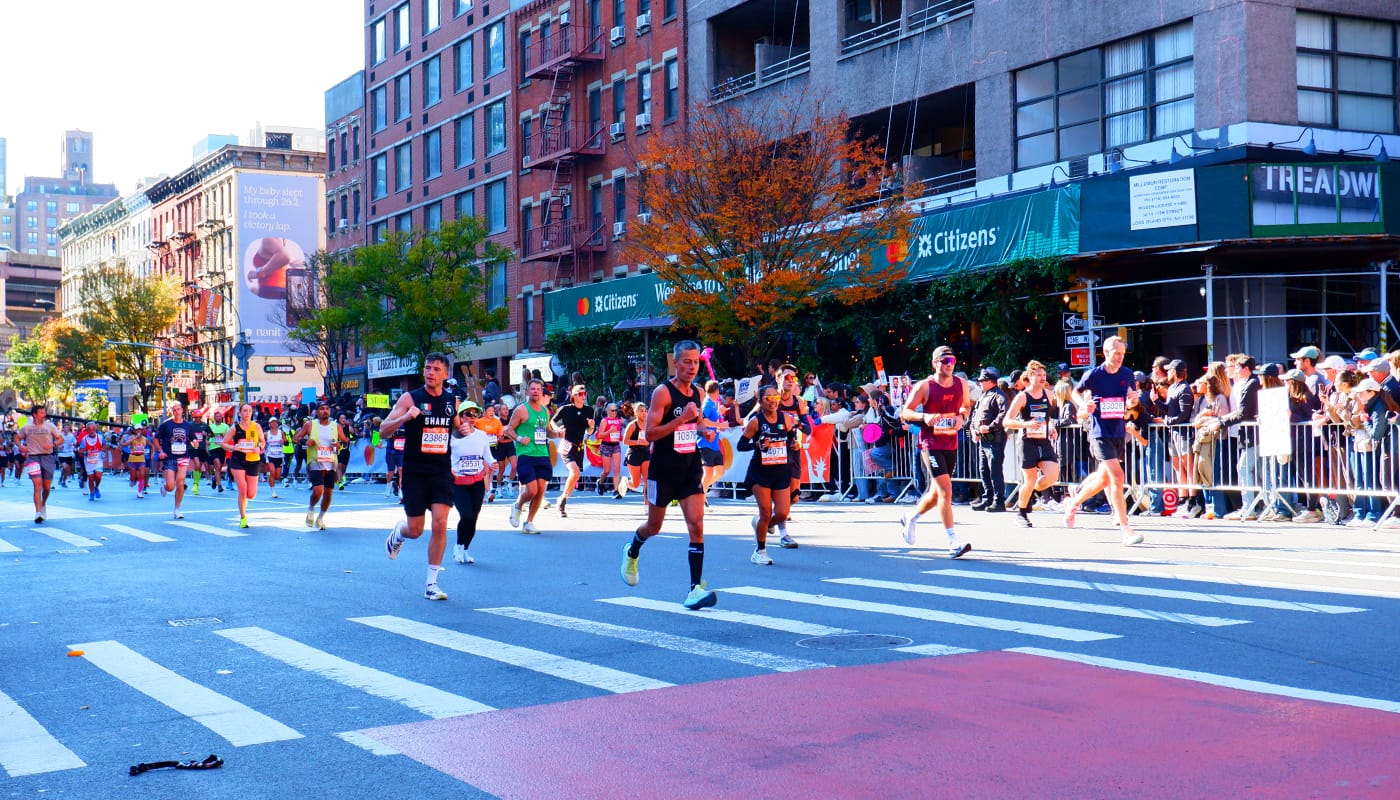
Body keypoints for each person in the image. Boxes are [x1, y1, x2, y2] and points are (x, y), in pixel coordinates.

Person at [619, 340, 719, 610]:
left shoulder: (698, 392)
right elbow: (650, 434)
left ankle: (694, 589)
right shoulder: (662, 393)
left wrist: (703, 430)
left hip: (689, 469)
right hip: (662, 471)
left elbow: (694, 423)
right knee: (654, 527)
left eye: (696, 361)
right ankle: (632, 550)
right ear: (674, 363)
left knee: (696, 526)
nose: (692, 366)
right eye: (686, 361)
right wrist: (681, 419)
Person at [382, 352, 458, 600]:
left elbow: (455, 430)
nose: (430, 373)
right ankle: (398, 533)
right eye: (427, 368)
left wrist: (464, 431)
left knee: (440, 523)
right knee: (415, 530)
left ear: (445, 374)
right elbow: (383, 431)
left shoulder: (451, 401)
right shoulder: (410, 398)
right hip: (415, 472)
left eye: (436, 369)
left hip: (441, 472)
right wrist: (405, 417)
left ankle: (431, 584)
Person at [1061, 336, 1145, 545]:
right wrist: (1084, 405)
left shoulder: (1126, 374)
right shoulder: (1094, 374)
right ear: (1106, 352)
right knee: (1117, 476)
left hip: (1118, 431)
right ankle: (1126, 528)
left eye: (1122, 354)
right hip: (1099, 432)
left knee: (1104, 480)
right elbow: (1075, 392)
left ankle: (1074, 502)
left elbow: (1131, 398)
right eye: (1116, 354)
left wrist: (1133, 399)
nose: (1119, 358)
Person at [898, 345, 974, 556]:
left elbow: (965, 406)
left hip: (950, 442)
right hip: (930, 444)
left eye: (952, 361)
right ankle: (953, 542)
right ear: (935, 363)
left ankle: (910, 517)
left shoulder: (962, 384)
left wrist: (961, 416)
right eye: (945, 361)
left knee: (936, 492)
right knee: (946, 491)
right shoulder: (925, 386)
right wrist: (924, 417)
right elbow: (906, 411)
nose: (949, 365)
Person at [739, 384, 797, 565]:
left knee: (782, 513)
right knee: (765, 512)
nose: (773, 401)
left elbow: (792, 439)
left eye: (776, 397)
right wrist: (756, 445)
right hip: (760, 472)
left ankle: (760, 524)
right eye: (768, 398)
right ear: (761, 401)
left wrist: (795, 445)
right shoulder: (755, 421)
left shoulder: (786, 419)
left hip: (781, 470)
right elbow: (741, 445)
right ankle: (760, 551)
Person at [1002, 360, 1060, 527]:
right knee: (1029, 479)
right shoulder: (1022, 396)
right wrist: (1025, 424)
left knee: (1051, 476)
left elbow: (1049, 417)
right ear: (1030, 376)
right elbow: (1007, 421)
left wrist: (1052, 427)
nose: (1042, 378)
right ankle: (1021, 513)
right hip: (1027, 442)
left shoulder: (1048, 395)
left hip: (1043, 440)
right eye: (1038, 375)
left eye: (1044, 375)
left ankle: (1028, 491)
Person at [502, 379, 555, 534]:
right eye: (532, 389)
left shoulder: (545, 411)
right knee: (531, 490)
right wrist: (519, 439)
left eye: (538, 389)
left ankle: (529, 522)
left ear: (541, 391)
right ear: (527, 391)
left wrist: (557, 434)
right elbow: (509, 430)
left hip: (542, 453)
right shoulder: (521, 410)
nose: (535, 391)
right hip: (526, 453)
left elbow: (548, 430)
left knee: (540, 490)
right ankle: (517, 506)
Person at [449, 401, 495, 565]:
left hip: (477, 482)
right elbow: (444, 457)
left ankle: (465, 549)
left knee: (474, 518)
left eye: (475, 414)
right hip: (459, 482)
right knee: (466, 516)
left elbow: (487, 456)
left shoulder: (481, 435)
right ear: (460, 417)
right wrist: (449, 469)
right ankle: (458, 546)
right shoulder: (453, 437)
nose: (472, 417)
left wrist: (493, 463)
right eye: (468, 414)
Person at [295, 402, 347, 530]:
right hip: (315, 461)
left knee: (328, 494)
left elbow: (345, 442)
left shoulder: (336, 426)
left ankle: (320, 518)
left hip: (331, 462)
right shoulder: (310, 424)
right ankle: (311, 509)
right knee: (318, 490)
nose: (325, 411)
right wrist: (305, 441)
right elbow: (295, 438)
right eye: (322, 409)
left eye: (327, 409)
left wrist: (340, 445)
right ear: (317, 412)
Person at [969, 368, 1009, 511]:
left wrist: (990, 427)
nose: (979, 383)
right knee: (984, 469)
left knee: (994, 470)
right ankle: (987, 498)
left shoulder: (999, 396)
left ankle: (999, 501)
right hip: (983, 439)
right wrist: (973, 429)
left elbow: (1004, 414)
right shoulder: (983, 396)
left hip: (995, 438)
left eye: (982, 381)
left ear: (989, 381)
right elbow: (974, 415)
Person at [551, 385, 594, 515]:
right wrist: (558, 429)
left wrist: (592, 426)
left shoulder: (589, 410)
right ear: (574, 396)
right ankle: (563, 499)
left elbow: (590, 431)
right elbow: (552, 421)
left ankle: (563, 498)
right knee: (574, 472)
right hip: (567, 444)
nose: (583, 396)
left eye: (585, 393)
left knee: (576, 475)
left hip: (579, 446)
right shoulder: (565, 409)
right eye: (580, 394)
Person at [152, 402, 199, 520]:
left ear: (182, 410)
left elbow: (193, 439)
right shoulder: (166, 425)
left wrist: (195, 443)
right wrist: (160, 451)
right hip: (169, 457)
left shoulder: (188, 426)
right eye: (174, 410)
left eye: (178, 409)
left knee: (180, 482)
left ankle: (177, 509)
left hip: (183, 456)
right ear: (172, 412)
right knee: (170, 486)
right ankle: (165, 486)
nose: (176, 412)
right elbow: (156, 439)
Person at [16, 406, 61, 522]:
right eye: (41, 413)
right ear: (35, 414)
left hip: (47, 457)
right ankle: (37, 513)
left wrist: (52, 445)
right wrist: (21, 446)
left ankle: (43, 504)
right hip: (33, 457)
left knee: (46, 487)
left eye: (44, 412)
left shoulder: (50, 425)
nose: (44, 414)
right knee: (37, 485)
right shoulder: (27, 426)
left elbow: (61, 439)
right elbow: (17, 438)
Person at [223, 403, 265, 529]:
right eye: (245, 411)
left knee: (251, 494)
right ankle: (243, 517)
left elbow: (263, 441)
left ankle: (244, 503)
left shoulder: (256, 427)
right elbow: (224, 443)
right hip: (238, 461)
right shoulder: (235, 428)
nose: (247, 413)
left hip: (253, 460)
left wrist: (259, 447)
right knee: (242, 489)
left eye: (249, 411)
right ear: (240, 413)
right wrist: (233, 447)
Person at [699, 380, 729, 502]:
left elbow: (712, 419)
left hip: (714, 444)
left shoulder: (712, 404)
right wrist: (720, 425)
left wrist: (720, 413)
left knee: (720, 471)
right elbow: (703, 421)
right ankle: (700, 494)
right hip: (705, 443)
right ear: (716, 391)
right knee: (708, 473)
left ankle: (701, 490)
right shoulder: (706, 404)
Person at [476, 403, 506, 502]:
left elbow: (500, 435)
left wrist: (500, 436)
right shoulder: (478, 422)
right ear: (484, 412)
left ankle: (486, 492)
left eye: (493, 411)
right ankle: (488, 492)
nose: (491, 413)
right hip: (483, 449)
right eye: (489, 411)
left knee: (492, 470)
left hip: (494, 448)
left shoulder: (497, 422)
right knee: (486, 470)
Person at [620, 401, 649, 497]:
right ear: (636, 413)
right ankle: (626, 484)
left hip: (646, 453)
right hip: (634, 454)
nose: (644, 413)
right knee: (635, 484)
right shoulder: (632, 425)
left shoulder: (650, 424)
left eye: (645, 411)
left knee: (647, 480)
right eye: (641, 411)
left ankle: (647, 506)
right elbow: (625, 441)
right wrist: (639, 442)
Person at [597, 401, 626, 497]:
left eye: (615, 410)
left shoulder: (618, 420)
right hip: (606, 445)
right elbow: (599, 435)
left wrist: (621, 426)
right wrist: (610, 431)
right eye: (612, 410)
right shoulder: (604, 421)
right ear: (608, 411)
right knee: (607, 470)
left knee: (617, 469)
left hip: (616, 445)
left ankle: (616, 490)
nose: (614, 412)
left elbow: (620, 435)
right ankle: (600, 483)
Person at [78, 421, 106, 500]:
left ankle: (96, 487)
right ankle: (92, 492)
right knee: (90, 478)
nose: (92, 431)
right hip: (89, 461)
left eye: (93, 429)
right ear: (87, 430)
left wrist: (103, 451)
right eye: (89, 430)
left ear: (96, 429)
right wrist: (86, 452)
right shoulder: (84, 439)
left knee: (98, 475)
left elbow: (104, 446)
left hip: (98, 460)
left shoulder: (100, 437)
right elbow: (80, 451)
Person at [206, 410, 230, 493]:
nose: (218, 417)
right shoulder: (210, 427)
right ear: (214, 417)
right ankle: (219, 485)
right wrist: (207, 442)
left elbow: (229, 437)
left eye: (220, 416)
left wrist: (225, 436)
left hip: (222, 448)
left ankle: (214, 478)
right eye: (217, 416)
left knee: (220, 467)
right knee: (217, 464)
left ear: (222, 417)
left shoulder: (226, 427)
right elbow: (207, 437)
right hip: (213, 447)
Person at [264, 417, 285, 499]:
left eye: (275, 422)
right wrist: (263, 445)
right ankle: (273, 491)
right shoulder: (267, 434)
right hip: (270, 455)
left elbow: (285, 440)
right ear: (269, 424)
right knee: (272, 471)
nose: (274, 423)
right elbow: (262, 442)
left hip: (279, 456)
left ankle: (269, 476)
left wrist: (283, 441)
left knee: (278, 476)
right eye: (272, 422)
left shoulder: (281, 433)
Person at [128, 425, 151, 498]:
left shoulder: (145, 439)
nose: (138, 431)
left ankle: (139, 492)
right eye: (137, 430)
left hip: (142, 459)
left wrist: (153, 453)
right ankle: (132, 479)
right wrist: (133, 438)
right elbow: (126, 444)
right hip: (133, 460)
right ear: (134, 431)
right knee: (133, 477)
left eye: (140, 430)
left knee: (142, 476)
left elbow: (152, 445)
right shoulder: (132, 437)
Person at [56, 422, 76, 488]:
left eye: (67, 427)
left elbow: (75, 443)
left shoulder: (71, 436)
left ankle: (63, 480)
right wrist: (59, 447)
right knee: (65, 467)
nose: (66, 429)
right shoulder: (60, 435)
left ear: (69, 428)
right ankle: (62, 478)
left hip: (69, 454)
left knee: (67, 470)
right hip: (61, 454)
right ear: (63, 429)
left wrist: (72, 445)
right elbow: (55, 443)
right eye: (65, 427)